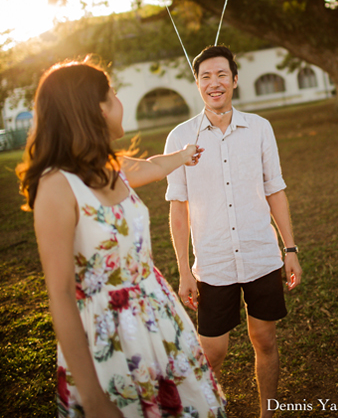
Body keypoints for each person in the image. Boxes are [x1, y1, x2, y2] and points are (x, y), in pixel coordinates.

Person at [16, 60, 226, 418]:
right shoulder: (56, 187)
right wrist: (94, 397)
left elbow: (154, 167)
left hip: (159, 321)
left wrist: (185, 155)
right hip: (111, 340)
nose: (119, 101)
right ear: (98, 108)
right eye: (113, 95)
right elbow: (61, 294)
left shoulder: (111, 165)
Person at [164, 45, 301, 418]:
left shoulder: (260, 128)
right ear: (197, 84)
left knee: (265, 339)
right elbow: (178, 209)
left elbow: (276, 190)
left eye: (222, 74)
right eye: (206, 76)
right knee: (212, 353)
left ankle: (266, 414)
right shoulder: (180, 138)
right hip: (213, 264)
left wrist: (290, 250)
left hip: (261, 255)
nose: (214, 83)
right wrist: (183, 271)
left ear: (235, 80)